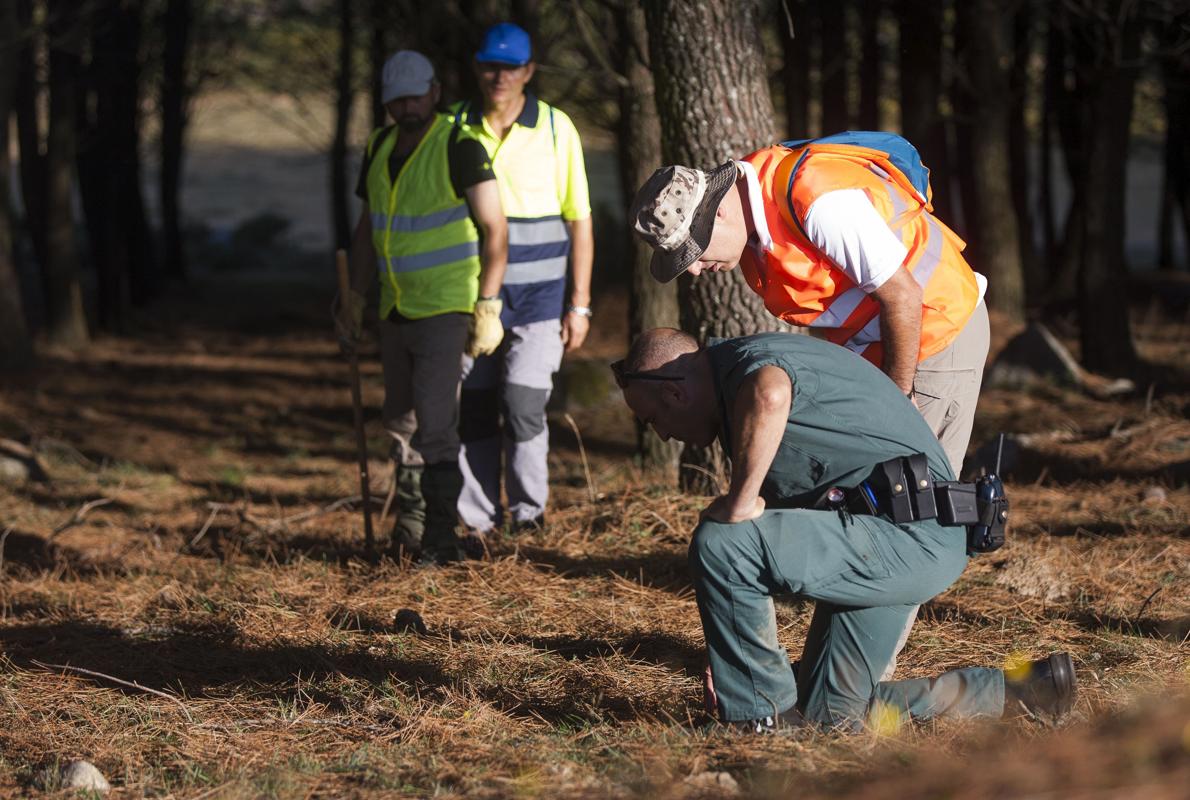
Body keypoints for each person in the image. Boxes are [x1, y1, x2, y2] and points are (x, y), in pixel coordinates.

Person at [630, 135, 991, 677]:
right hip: (875, 347)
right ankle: (830, 671)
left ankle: (864, 679)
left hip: (934, 337)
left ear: (721, 211)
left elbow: (903, 296)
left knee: (909, 505)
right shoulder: (755, 232)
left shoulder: (816, 199)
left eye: (696, 254)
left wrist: (893, 408)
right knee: (865, 502)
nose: (697, 271)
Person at [612, 328, 1076, 733]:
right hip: (908, 536)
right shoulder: (737, 373)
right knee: (830, 715)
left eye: (653, 419)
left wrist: (740, 499)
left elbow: (771, 392)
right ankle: (1022, 692)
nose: (662, 435)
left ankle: (760, 724)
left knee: (721, 542)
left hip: (907, 535)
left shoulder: (745, 367)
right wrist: (737, 662)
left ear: (675, 394)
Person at [335, 50, 508, 565]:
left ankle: (440, 538)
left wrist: (487, 304)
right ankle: (409, 528)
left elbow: (495, 229)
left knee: (435, 424)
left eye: (414, 96)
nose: (406, 107)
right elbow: (369, 227)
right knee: (400, 421)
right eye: (396, 99)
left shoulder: (460, 146)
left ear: (433, 93)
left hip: (445, 308)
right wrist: (355, 297)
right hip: (394, 308)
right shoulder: (379, 145)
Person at [450, 22, 595, 535]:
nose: (499, 76)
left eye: (510, 67)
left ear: (528, 71)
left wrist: (579, 305)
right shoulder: (453, 125)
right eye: (490, 65)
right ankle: (476, 522)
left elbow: (580, 219)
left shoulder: (557, 127)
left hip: (541, 298)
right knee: (475, 407)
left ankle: (529, 516)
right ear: (476, 66)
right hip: (471, 294)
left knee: (523, 403)